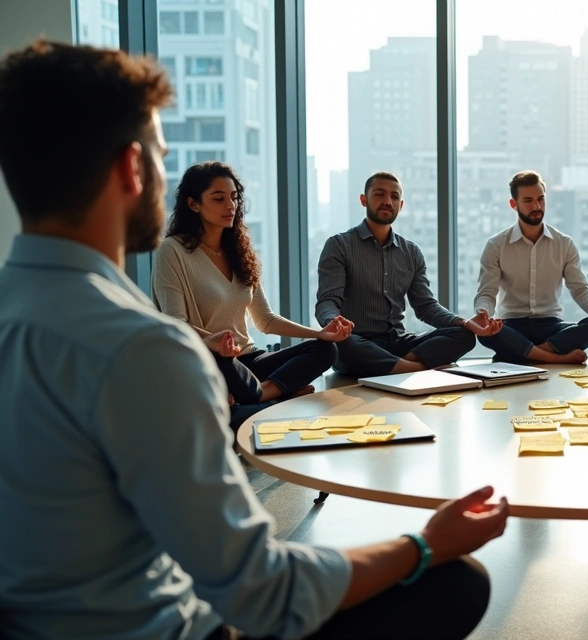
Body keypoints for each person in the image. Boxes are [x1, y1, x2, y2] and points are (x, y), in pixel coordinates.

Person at [0, 41, 508, 639]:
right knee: (458, 581)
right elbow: (260, 590)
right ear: (130, 169)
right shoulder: (144, 350)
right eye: (162, 157)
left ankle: (262, 398)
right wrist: (424, 544)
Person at [153, 161, 351, 412]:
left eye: (234, 197)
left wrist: (319, 333)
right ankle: (276, 394)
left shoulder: (241, 252)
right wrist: (213, 341)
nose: (230, 205)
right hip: (209, 360)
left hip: (248, 361)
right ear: (194, 204)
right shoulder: (172, 251)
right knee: (225, 366)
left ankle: (263, 394)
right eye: (218, 198)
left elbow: (266, 320)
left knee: (326, 350)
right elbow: (175, 323)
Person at [316, 171, 500, 377]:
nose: (387, 201)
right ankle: (413, 369)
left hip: (397, 342)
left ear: (401, 205)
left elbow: (425, 307)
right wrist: (334, 322)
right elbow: (327, 301)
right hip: (359, 341)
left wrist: (466, 322)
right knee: (341, 344)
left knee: (463, 335)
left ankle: (397, 367)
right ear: (363, 200)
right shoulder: (339, 245)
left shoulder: (411, 252)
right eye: (379, 194)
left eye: (394, 197)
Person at [474, 170, 588, 364]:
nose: (537, 206)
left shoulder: (564, 243)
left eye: (541, 199)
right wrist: (483, 314)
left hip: (551, 326)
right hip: (512, 326)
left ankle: (527, 354)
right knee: (486, 332)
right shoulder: (496, 245)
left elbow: (580, 289)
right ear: (513, 204)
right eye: (528, 200)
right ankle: (554, 357)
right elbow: (486, 294)